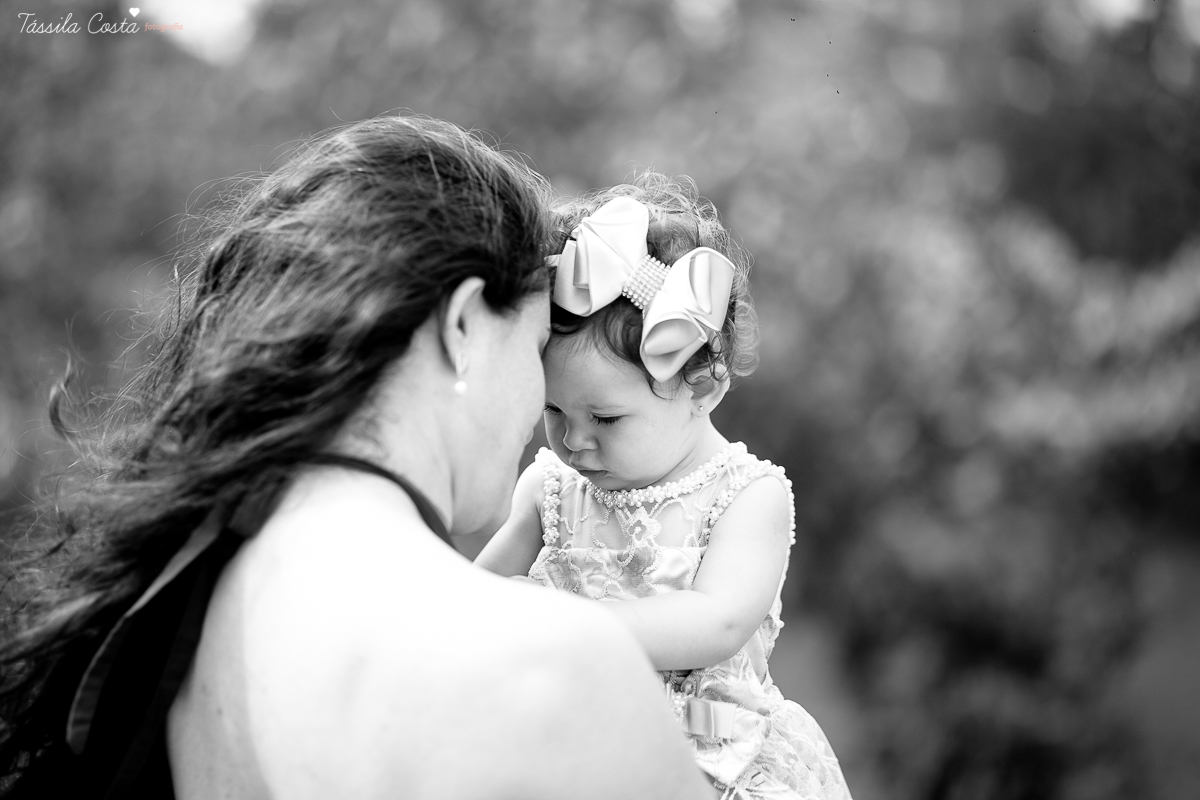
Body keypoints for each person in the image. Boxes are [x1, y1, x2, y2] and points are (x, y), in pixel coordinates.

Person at [0, 117, 716, 799]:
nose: (540, 416)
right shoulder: (553, 674)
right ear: (462, 324)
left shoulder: (191, 606)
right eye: (533, 351)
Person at [476, 173, 854, 800]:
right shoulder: (550, 485)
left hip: (704, 757)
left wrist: (569, 621)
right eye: (556, 411)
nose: (574, 441)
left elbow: (718, 620)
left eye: (605, 418)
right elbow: (481, 594)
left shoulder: (747, 495)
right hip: (571, 745)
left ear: (702, 387)